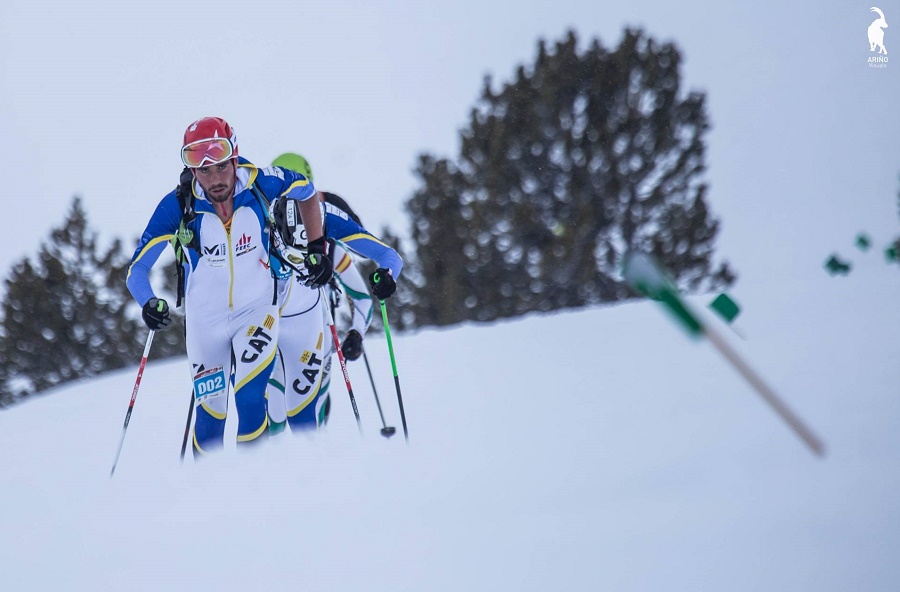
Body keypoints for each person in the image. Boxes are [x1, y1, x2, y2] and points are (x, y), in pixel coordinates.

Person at [126, 117, 333, 457]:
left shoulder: (262, 183)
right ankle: (209, 495)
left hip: (256, 311)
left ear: (235, 158)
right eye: (203, 171)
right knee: (210, 419)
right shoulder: (178, 205)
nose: (215, 179)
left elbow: (308, 192)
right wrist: (147, 302)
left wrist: (317, 248)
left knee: (251, 398)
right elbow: (138, 269)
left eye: (221, 167)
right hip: (205, 323)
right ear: (192, 171)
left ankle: (253, 487)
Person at [265, 152, 402, 434]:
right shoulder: (263, 235)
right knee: (275, 409)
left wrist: (356, 333)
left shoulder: (330, 240)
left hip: (320, 331)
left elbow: (362, 296)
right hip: (274, 328)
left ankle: (314, 465)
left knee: (311, 409)